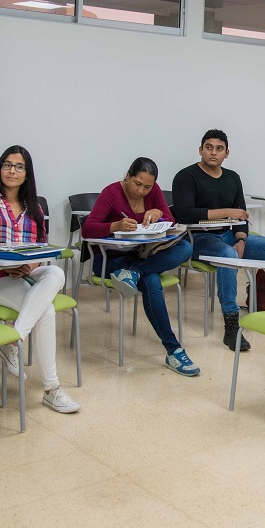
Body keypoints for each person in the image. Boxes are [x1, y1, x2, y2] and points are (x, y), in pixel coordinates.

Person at [0, 145, 79, 413]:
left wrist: (28, 264)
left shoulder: (34, 207)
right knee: (46, 311)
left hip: (24, 275)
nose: (12, 171)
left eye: (19, 166)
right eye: (7, 165)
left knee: (57, 272)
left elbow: (41, 247)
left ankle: (14, 338)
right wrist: (3, 261)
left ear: (27, 173)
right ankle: (52, 389)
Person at [172, 129, 265, 352]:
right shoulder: (186, 176)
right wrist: (227, 212)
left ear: (227, 153)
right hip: (199, 238)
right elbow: (185, 214)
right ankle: (231, 325)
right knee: (228, 256)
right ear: (200, 150)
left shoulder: (233, 178)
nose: (213, 153)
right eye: (208, 147)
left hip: (229, 235)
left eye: (219, 149)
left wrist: (241, 240)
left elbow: (241, 215)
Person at [82, 157, 199, 377]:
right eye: (137, 184)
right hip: (109, 260)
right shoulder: (111, 193)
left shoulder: (152, 192)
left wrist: (159, 214)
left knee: (185, 248)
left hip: (140, 256)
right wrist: (115, 226)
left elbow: (170, 220)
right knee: (152, 281)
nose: (141, 191)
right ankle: (174, 350)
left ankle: (134, 273)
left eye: (147, 186)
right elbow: (87, 229)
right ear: (128, 175)